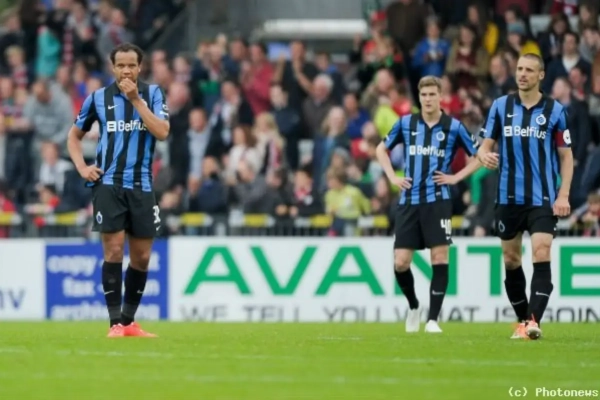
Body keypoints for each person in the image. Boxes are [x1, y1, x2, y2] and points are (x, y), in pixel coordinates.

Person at [66, 43, 170, 338]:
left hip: (142, 186)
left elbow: (162, 132)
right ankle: (114, 324)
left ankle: (128, 322)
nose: (126, 70)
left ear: (140, 67)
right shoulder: (98, 98)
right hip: (109, 184)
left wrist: (136, 100)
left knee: (142, 256)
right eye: (121, 65)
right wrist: (82, 167)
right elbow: (73, 137)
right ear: (113, 68)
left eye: (131, 65)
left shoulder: (153, 94)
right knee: (113, 250)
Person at [477, 53, 574, 340]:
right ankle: (523, 321)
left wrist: (563, 195)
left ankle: (533, 321)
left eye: (529, 70)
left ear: (541, 75)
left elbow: (566, 157)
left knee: (541, 251)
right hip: (508, 197)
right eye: (519, 68)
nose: (522, 74)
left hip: (542, 197)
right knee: (511, 260)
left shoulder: (555, 110)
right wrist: (484, 155)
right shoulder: (500, 106)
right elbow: (484, 145)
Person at [376, 76, 480, 334]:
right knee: (401, 262)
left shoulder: (454, 126)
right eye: (424, 95)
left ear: (440, 96)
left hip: (439, 201)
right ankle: (414, 306)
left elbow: (479, 156)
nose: (428, 99)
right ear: (419, 97)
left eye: (433, 94)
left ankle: (433, 320)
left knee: (440, 257)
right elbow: (380, 149)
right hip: (409, 201)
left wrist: (456, 177)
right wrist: (392, 177)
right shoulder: (406, 123)